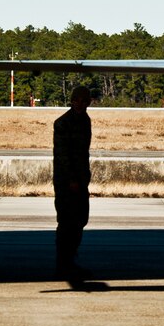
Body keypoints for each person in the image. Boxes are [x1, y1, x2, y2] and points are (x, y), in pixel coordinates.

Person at [53, 85, 93, 282]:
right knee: (67, 223)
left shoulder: (85, 121)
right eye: (77, 100)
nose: (80, 104)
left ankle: (70, 260)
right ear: (72, 100)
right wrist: (71, 180)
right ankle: (64, 264)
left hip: (80, 180)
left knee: (80, 221)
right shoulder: (62, 123)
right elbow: (62, 155)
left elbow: (83, 153)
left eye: (84, 100)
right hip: (66, 182)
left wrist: (83, 178)